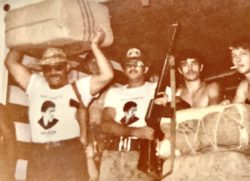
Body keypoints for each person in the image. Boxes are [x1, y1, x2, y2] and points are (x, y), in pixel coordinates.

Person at [4, 28, 114, 181]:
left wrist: (94, 45)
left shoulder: (78, 88)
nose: (53, 72)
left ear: (67, 67)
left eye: (58, 67)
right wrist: (22, 37)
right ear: (42, 70)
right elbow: (10, 62)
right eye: (47, 68)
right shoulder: (35, 84)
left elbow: (107, 75)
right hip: (39, 154)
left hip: (68, 154)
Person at [100, 48, 156, 181]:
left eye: (138, 64)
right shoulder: (114, 92)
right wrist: (133, 131)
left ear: (146, 69)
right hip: (112, 154)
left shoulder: (157, 88)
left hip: (141, 155)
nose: (132, 67)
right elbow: (105, 124)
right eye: (128, 64)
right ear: (124, 69)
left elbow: (180, 108)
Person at [154, 49, 222, 108]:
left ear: (201, 67)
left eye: (194, 63)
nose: (190, 69)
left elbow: (214, 113)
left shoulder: (211, 88)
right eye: (185, 65)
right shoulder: (177, 93)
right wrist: (163, 106)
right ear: (180, 70)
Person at [229, 39, 250, 103]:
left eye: (243, 53)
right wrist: (226, 106)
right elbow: (235, 107)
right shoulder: (244, 86)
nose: (238, 60)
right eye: (234, 56)